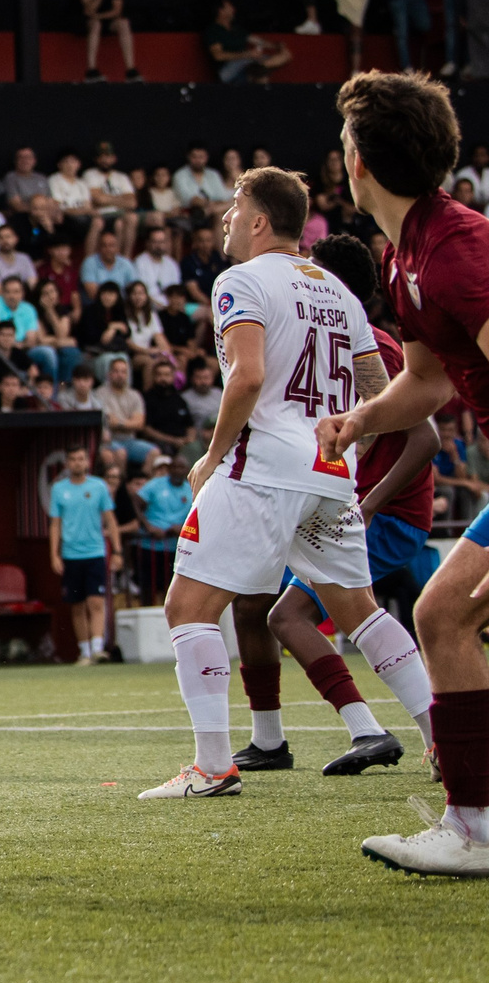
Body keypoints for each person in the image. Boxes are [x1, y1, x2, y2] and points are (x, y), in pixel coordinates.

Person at [141, 166, 417, 804]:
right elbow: (381, 395)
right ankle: (442, 740)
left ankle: (213, 767)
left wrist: (212, 457)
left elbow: (246, 377)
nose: (226, 218)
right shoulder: (339, 292)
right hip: (330, 471)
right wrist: (346, 441)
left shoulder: (240, 280)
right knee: (362, 612)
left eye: (235, 207)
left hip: (263, 465)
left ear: (260, 220)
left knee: (188, 608)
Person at [313, 73, 489, 871]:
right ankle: (473, 824)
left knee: (444, 615)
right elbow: (426, 382)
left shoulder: (456, 252)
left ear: (358, 160)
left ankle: (474, 825)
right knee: (442, 615)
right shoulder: (403, 256)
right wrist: (359, 420)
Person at [237, 230, 430, 775]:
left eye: (312, 266)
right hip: (319, 493)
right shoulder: (317, 335)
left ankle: (384, 730)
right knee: (251, 605)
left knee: (289, 614)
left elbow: (426, 437)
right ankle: (269, 740)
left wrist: (370, 504)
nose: (302, 274)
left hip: (383, 512)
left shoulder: (375, 344)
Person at [48, 445, 118, 664]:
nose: (77, 463)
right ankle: (84, 651)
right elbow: (55, 524)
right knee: (77, 605)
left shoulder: (98, 486)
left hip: (95, 552)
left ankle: (97, 649)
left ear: (87, 462)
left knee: (95, 602)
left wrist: (117, 550)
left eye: (81, 459)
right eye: (73, 459)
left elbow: (110, 519)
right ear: (67, 463)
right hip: (71, 554)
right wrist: (54, 555)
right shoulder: (59, 489)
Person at [74, 0, 140, 82]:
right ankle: (91, 70)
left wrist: (99, 16)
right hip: (83, 21)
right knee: (96, 24)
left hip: (104, 18)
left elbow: (117, 10)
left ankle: (131, 70)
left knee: (123, 23)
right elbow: (89, 10)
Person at [204, 0, 291, 83]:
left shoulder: (236, 29)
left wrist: (276, 46)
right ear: (220, 11)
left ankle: (258, 69)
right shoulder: (213, 31)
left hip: (248, 63)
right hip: (229, 69)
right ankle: (257, 69)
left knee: (285, 55)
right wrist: (246, 54)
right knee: (260, 75)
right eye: (230, 7)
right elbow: (218, 55)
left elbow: (258, 41)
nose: (233, 9)